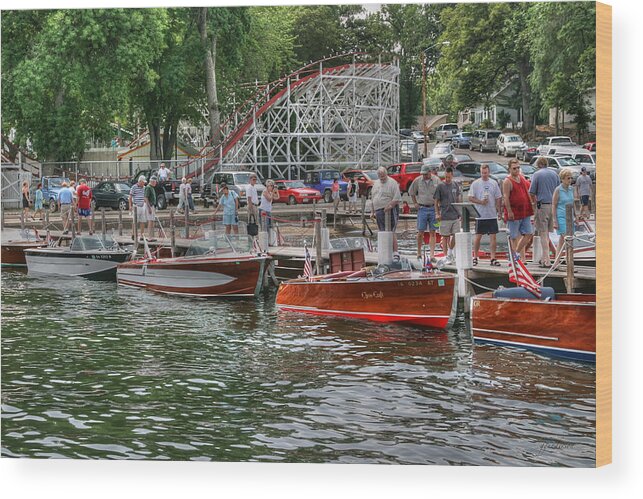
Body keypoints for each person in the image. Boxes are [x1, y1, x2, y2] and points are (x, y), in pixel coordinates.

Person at [468, 164, 502, 266]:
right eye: (482, 173)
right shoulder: (475, 183)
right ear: (480, 172)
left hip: (491, 214)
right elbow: (470, 197)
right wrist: (480, 202)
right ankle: (475, 257)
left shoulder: (493, 183)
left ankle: (493, 258)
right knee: (478, 236)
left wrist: (499, 210)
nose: (484, 175)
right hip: (480, 214)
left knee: (493, 236)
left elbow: (498, 197)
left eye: (486, 173)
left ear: (489, 172)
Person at [529, 156, 560, 267]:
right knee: (547, 233)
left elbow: (532, 192)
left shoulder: (537, 174)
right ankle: (544, 258)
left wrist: (534, 204)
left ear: (539, 164)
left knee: (543, 233)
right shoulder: (555, 174)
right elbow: (558, 191)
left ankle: (546, 260)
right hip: (553, 206)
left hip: (542, 206)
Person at [503, 158, 533, 261]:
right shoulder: (507, 181)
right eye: (514, 168)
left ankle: (516, 253)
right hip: (514, 212)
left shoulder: (521, 178)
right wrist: (509, 211)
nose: (516, 170)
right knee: (514, 236)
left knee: (528, 233)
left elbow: (529, 188)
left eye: (518, 168)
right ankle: (514, 257)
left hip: (525, 211)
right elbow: (506, 197)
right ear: (510, 169)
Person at [409, 163, 440, 260]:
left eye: (426, 174)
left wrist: (438, 208)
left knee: (433, 231)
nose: (424, 176)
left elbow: (441, 194)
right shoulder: (417, 181)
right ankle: (418, 253)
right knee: (420, 231)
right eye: (423, 174)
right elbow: (411, 192)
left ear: (430, 172)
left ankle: (432, 254)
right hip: (422, 208)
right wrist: (415, 203)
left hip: (433, 209)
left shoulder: (436, 180)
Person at [370, 166, 402, 258]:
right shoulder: (376, 184)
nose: (383, 179)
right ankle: (385, 250)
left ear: (386, 174)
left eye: (384, 177)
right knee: (382, 231)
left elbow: (397, 198)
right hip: (378, 210)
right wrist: (372, 212)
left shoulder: (392, 183)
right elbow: (372, 198)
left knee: (391, 231)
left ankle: (395, 251)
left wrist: (389, 206)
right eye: (381, 177)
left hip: (390, 210)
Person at [434, 166, 461, 263]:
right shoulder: (440, 186)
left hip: (454, 215)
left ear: (452, 176)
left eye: (449, 177)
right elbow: (436, 201)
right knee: (445, 236)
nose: (447, 179)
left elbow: (458, 199)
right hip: (444, 215)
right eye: (446, 177)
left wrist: (460, 212)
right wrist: (437, 213)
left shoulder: (455, 185)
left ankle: (450, 252)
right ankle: (446, 256)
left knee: (456, 234)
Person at [552, 168, 576, 265]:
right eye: (567, 178)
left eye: (570, 178)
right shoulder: (558, 190)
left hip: (570, 217)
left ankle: (556, 262)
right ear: (562, 179)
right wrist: (554, 220)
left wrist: (576, 215)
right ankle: (569, 262)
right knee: (567, 238)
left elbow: (573, 202)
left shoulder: (571, 189)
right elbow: (554, 204)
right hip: (561, 216)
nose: (570, 180)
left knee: (562, 241)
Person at [129, 175, 147, 240]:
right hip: (136, 206)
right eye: (143, 182)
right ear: (140, 181)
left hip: (143, 206)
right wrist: (130, 206)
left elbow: (145, 197)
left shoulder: (144, 188)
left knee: (143, 221)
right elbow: (130, 197)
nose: (144, 183)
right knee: (135, 221)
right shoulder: (134, 187)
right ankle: (133, 234)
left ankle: (142, 235)